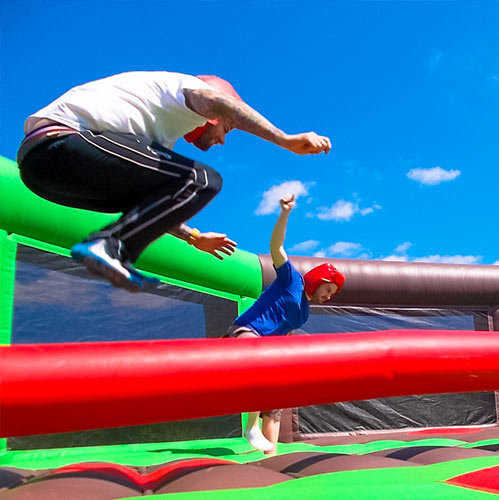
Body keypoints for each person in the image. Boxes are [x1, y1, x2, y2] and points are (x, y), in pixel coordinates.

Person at [16, 71, 331, 292]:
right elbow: (216, 101)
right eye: (228, 129)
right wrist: (285, 140)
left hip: (39, 173)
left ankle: (109, 246)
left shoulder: (154, 133)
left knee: (160, 189)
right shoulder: (185, 91)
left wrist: (192, 237)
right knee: (204, 179)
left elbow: (149, 205)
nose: (222, 140)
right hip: (62, 141)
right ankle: (108, 246)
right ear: (218, 117)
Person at [223, 193, 345, 454]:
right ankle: (250, 427)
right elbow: (276, 248)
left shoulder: (304, 313)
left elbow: (286, 336)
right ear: (318, 279)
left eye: (334, 292)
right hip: (244, 334)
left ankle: (270, 456)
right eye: (329, 288)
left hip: (266, 350)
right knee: (260, 361)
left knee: (276, 400)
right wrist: (285, 213)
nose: (330, 295)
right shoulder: (292, 280)